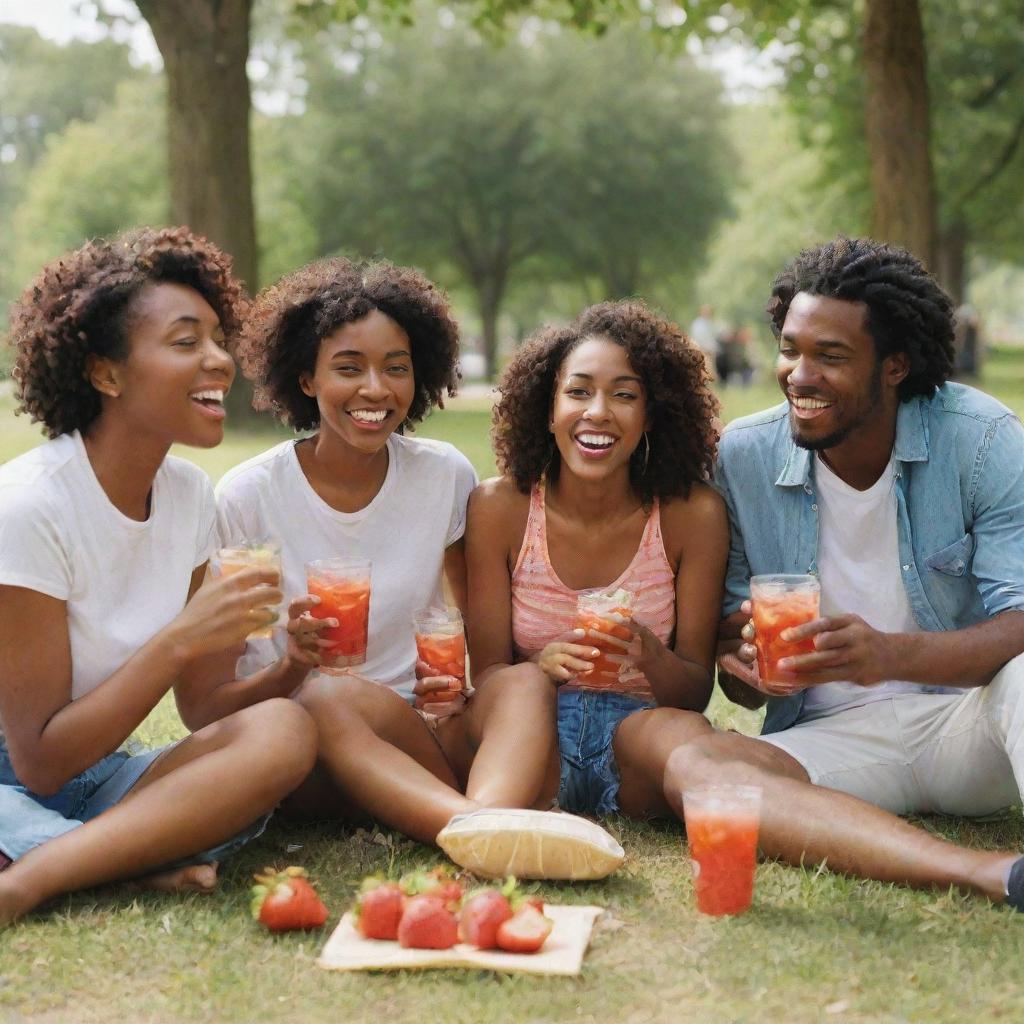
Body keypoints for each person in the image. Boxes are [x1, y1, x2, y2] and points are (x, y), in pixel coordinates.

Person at [665, 236, 1024, 907]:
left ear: (894, 365)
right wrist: (740, 664)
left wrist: (888, 654)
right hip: (832, 742)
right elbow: (739, 679)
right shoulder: (743, 457)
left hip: (967, 729)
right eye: (791, 348)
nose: (799, 374)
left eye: (830, 356)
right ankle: (992, 874)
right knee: (697, 766)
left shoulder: (981, 440)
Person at [201, 257, 581, 858]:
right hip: (316, 748)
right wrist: (293, 667)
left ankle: (478, 821)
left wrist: (456, 691)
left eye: (396, 369)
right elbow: (209, 704)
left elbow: (484, 655)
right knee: (328, 695)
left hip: (422, 734)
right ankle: (479, 829)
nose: (375, 390)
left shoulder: (442, 476)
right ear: (306, 379)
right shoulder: (250, 498)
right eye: (348, 368)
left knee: (522, 684)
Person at [0, 228, 317, 927]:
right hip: (10, 779)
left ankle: (63, 863)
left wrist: (289, 669)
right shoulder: (29, 506)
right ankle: (65, 869)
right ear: (105, 373)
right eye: (185, 342)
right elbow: (38, 765)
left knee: (284, 733)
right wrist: (178, 639)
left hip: (96, 777)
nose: (219, 360)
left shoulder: (189, 497)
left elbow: (204, 708)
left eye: (215, 338)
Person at [467, 300, 726, 821]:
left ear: (651, 414)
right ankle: (482, 829)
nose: (598, 412)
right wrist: (540, 669)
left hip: (637, 744)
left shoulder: (691, 515)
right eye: (578, 391)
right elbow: (490, 673)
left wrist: (650, 653)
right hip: (531, 742)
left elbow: (696, 691)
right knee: (519, 684)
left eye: (624, 395)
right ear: (549, 407)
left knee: (691, 743)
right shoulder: (500, 508)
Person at [689, 304, 719, 380]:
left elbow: (712, 337)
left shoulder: (710, 323)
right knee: (705, 370)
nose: (707, 313)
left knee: (711, 371)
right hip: (701, 349)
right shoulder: (697, 324)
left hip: (710, 351)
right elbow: (697, 338)